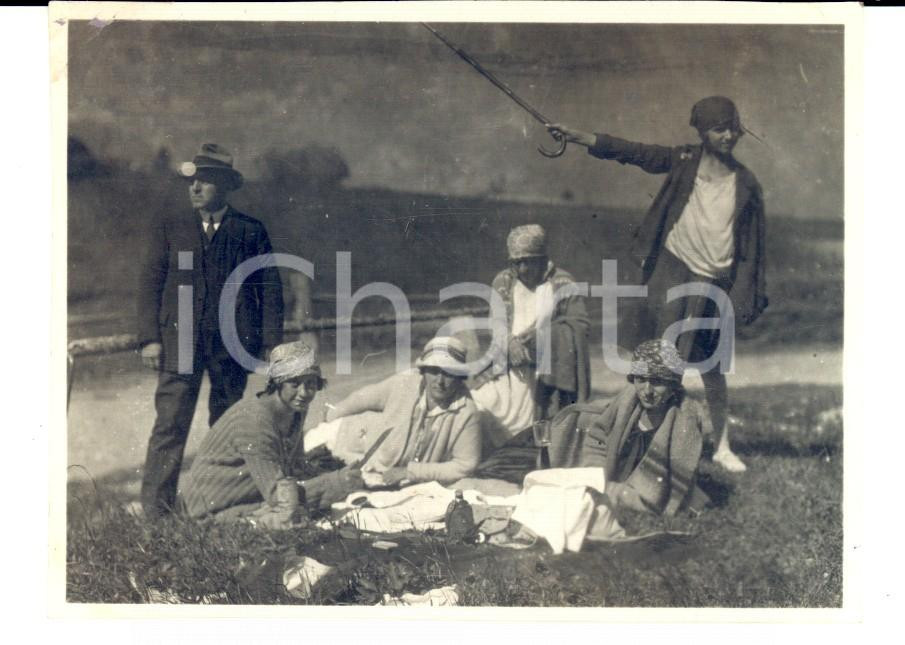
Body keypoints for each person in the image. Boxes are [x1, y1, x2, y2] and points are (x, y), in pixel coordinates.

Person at [549, 96, 766, 472]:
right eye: (719, 129)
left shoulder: (745, 183)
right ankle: (639, 437)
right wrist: (581, 137)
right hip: (673, 270)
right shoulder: (684, 160)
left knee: (712, 366)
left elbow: (752, 249)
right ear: (702, 132)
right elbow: (636, 153)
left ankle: (721, 447)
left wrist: (744, 296)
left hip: (714, 282)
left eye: (732, 128)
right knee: (658, 362)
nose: (728, 136)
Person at [136, 143, 284, 520]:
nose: (196, 187)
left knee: (228, 427)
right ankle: (156, 516)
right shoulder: (172, 227)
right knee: (170, 425)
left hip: (232, 347)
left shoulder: (249, 231)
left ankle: (219, 508)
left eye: (205, 180)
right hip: (180, 344)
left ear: (225, 186)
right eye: (192, 181)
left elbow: (269, 288)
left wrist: (270, 344)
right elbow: (150, 282)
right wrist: (149, 338)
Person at [183, 341, 363, 521]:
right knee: (289, 516)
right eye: (294, 384)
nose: (303, 393)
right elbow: (278, 497)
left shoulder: (295, 408)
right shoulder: (254, 420)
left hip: (251, 494)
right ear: (277, 382)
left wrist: (329, 478)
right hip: (210, 509)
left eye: (310, 384)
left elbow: (296, 467)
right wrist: (336, 483)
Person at [548, 339, 704, 516]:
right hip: (612, 478)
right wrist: (598, 474)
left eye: (657, 381)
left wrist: (619, 492)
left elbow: (669, 480)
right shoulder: (626, 403)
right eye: (641, 379)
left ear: (673, 385)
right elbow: (598, 439)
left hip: (643, 486)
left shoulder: (684, 421)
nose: (647, 390)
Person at [470, 224, 591, 453]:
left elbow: (579, 325)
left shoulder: (563, 283)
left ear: (542, 259)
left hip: (545, 374)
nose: (522, 269)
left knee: (535, 430)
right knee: (480, 407)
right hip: (505, 367)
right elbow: (496, 322)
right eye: (516, 262)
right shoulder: (503, 281)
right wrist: (510, 343)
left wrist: (540, 339)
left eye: (529, 262)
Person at [308, 336, 482, 487]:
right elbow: (364, 397)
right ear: (423, 371)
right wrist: (330, 415)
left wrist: (409, 472)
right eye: (434, 371)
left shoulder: (465, 412)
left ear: (459, 377)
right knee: (305, 468)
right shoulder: (405, 383)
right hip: (344, 436)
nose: (440, 381)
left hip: (381, 470)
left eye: (448, 373)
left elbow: (464, 465)